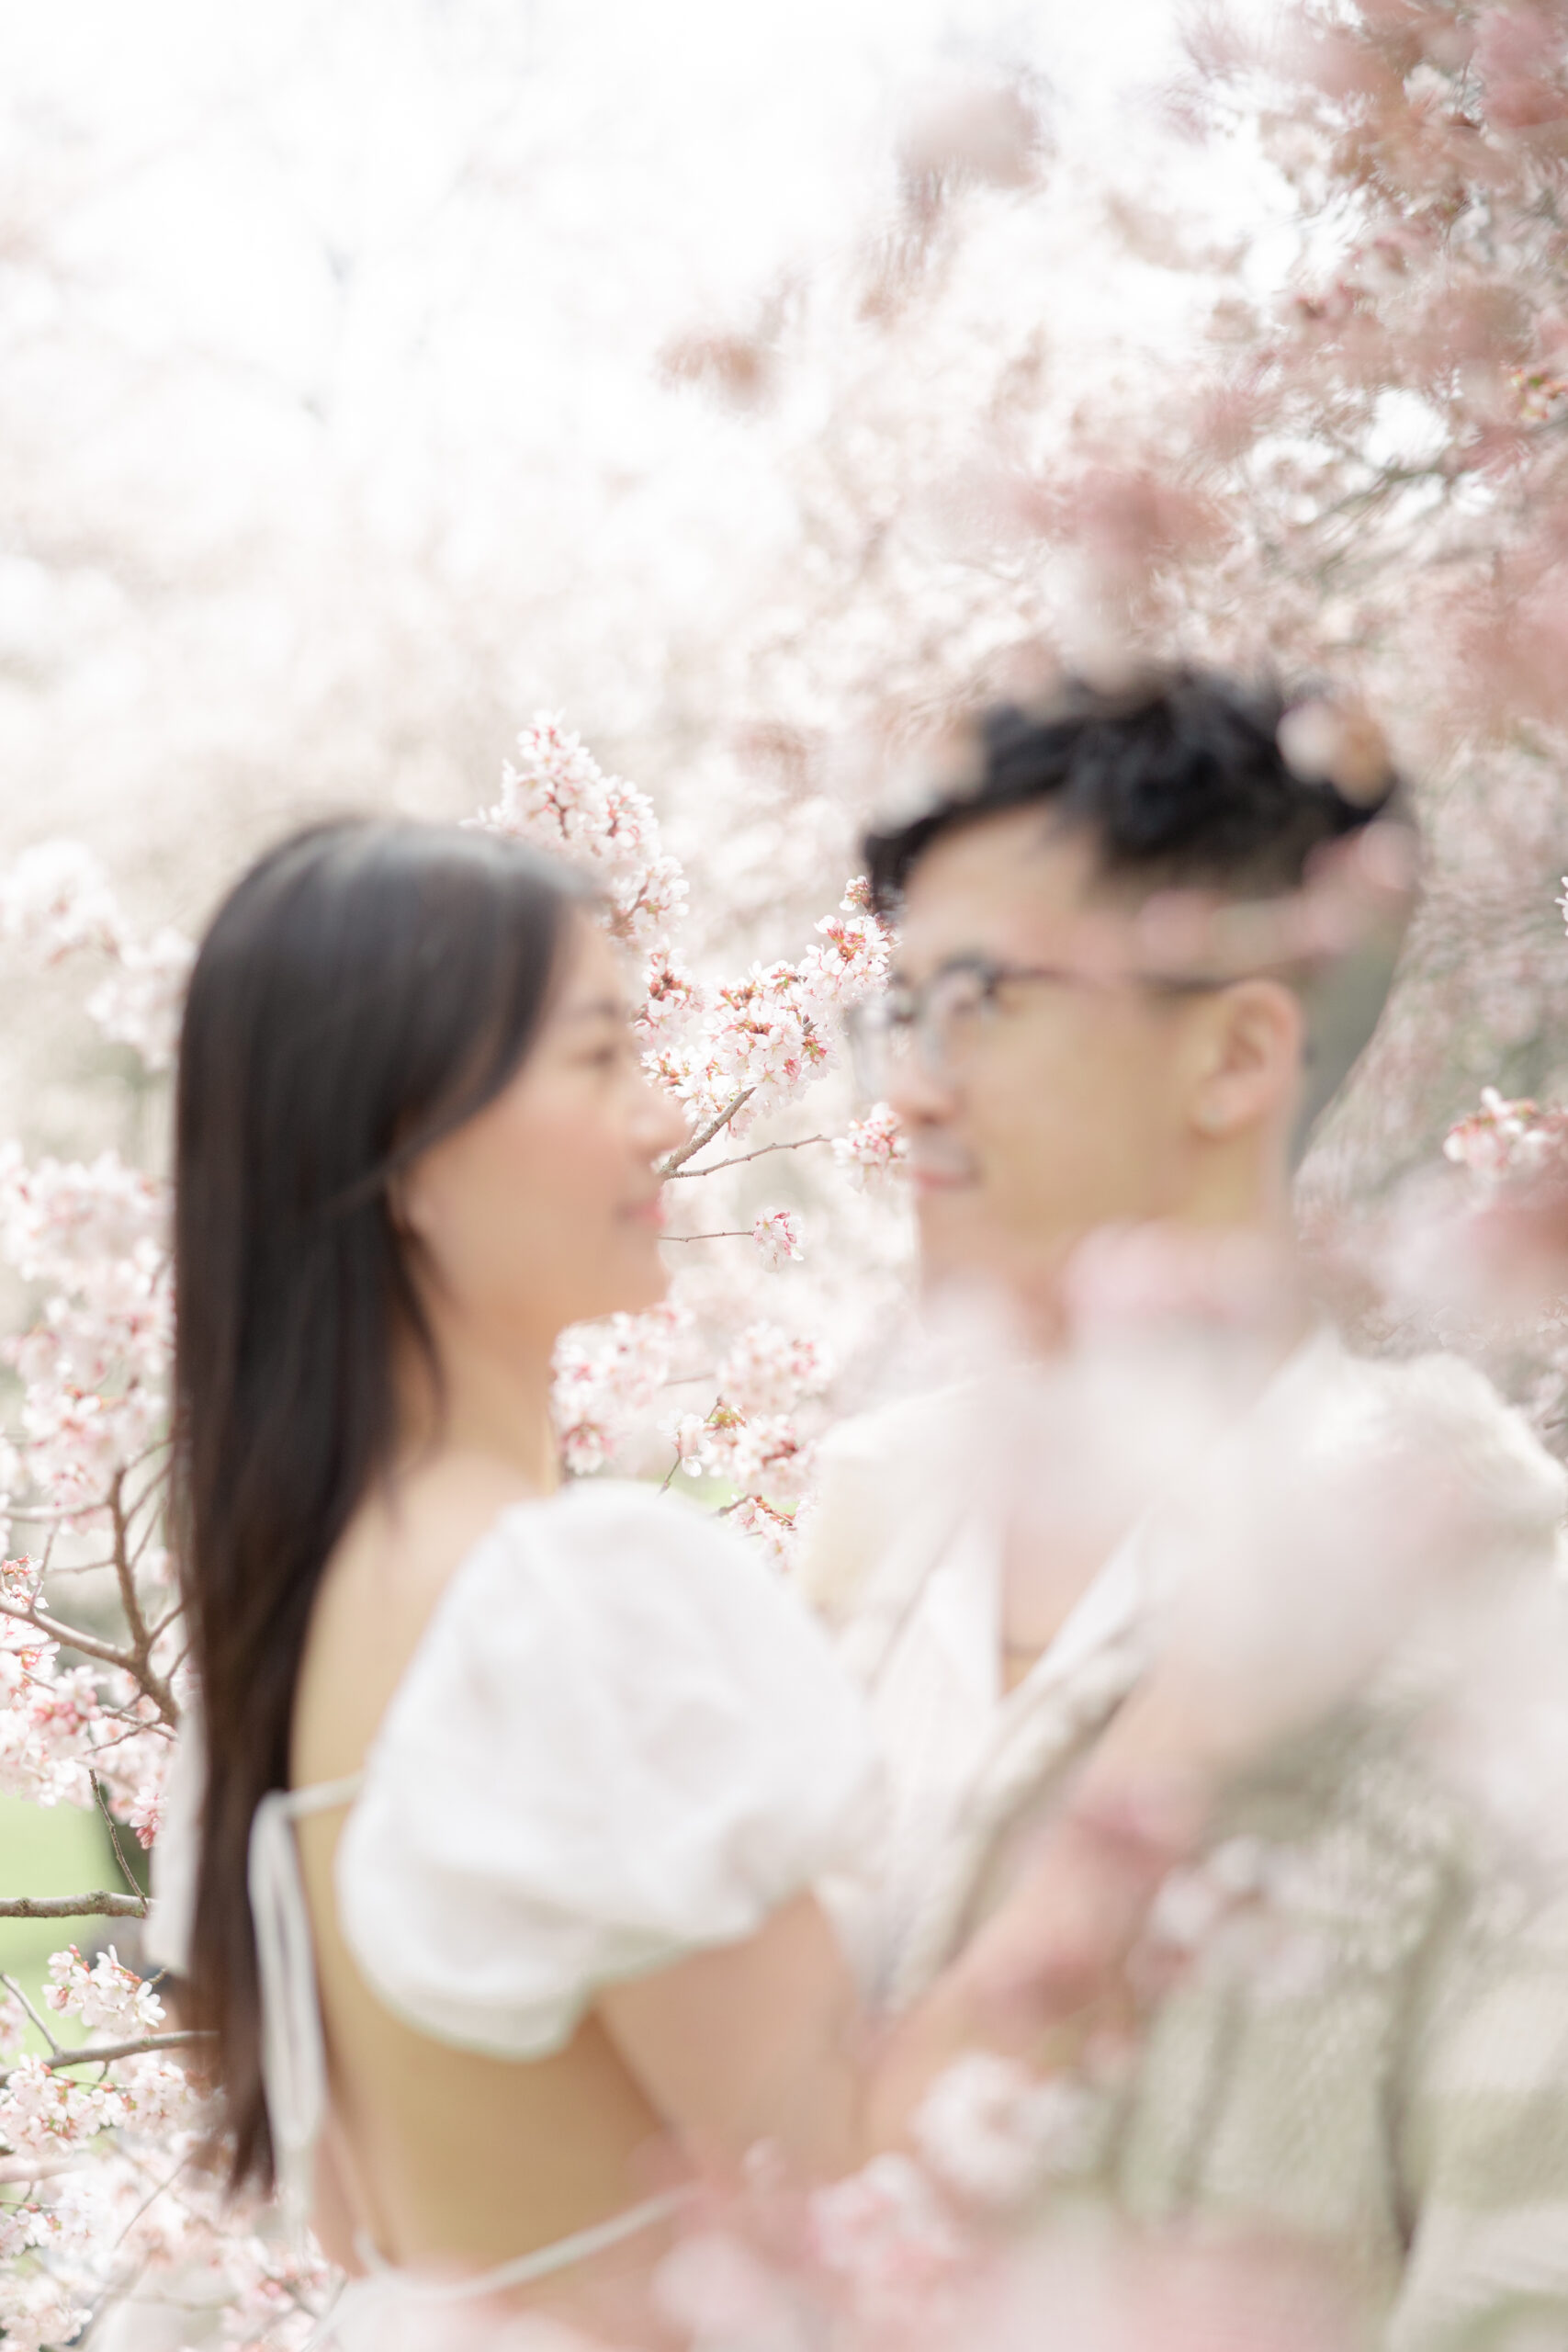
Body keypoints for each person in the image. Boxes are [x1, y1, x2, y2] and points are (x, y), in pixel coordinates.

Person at [145, 817, 1292, 2352]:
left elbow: (365, 2220)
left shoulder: (292, 1613)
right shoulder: (566, 1596)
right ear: (402, 1151)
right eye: (600, 1058)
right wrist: (1166, 1758)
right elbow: (852, 2186)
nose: (663, 1118)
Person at [803, 667, 1568, 2351]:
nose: (911, 1091)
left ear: (1234, 1053)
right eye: (904, 1013)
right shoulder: (852, 1528)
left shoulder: (1492, 1619)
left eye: (985, 1001)